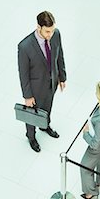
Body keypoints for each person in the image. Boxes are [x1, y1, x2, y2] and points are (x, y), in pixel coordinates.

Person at [18, 11, 67, 152]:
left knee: (48, 105)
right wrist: (27, 96)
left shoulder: (56, 34)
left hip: (52, 82)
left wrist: (62, 77)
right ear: (38, 27)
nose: (50, 35)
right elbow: (23, 74)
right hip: (35, 87)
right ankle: (31, 136)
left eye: (51, 31)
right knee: (32, 113)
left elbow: (60, 55)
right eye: (47, 31)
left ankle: (45, 125)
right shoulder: (24, 47)